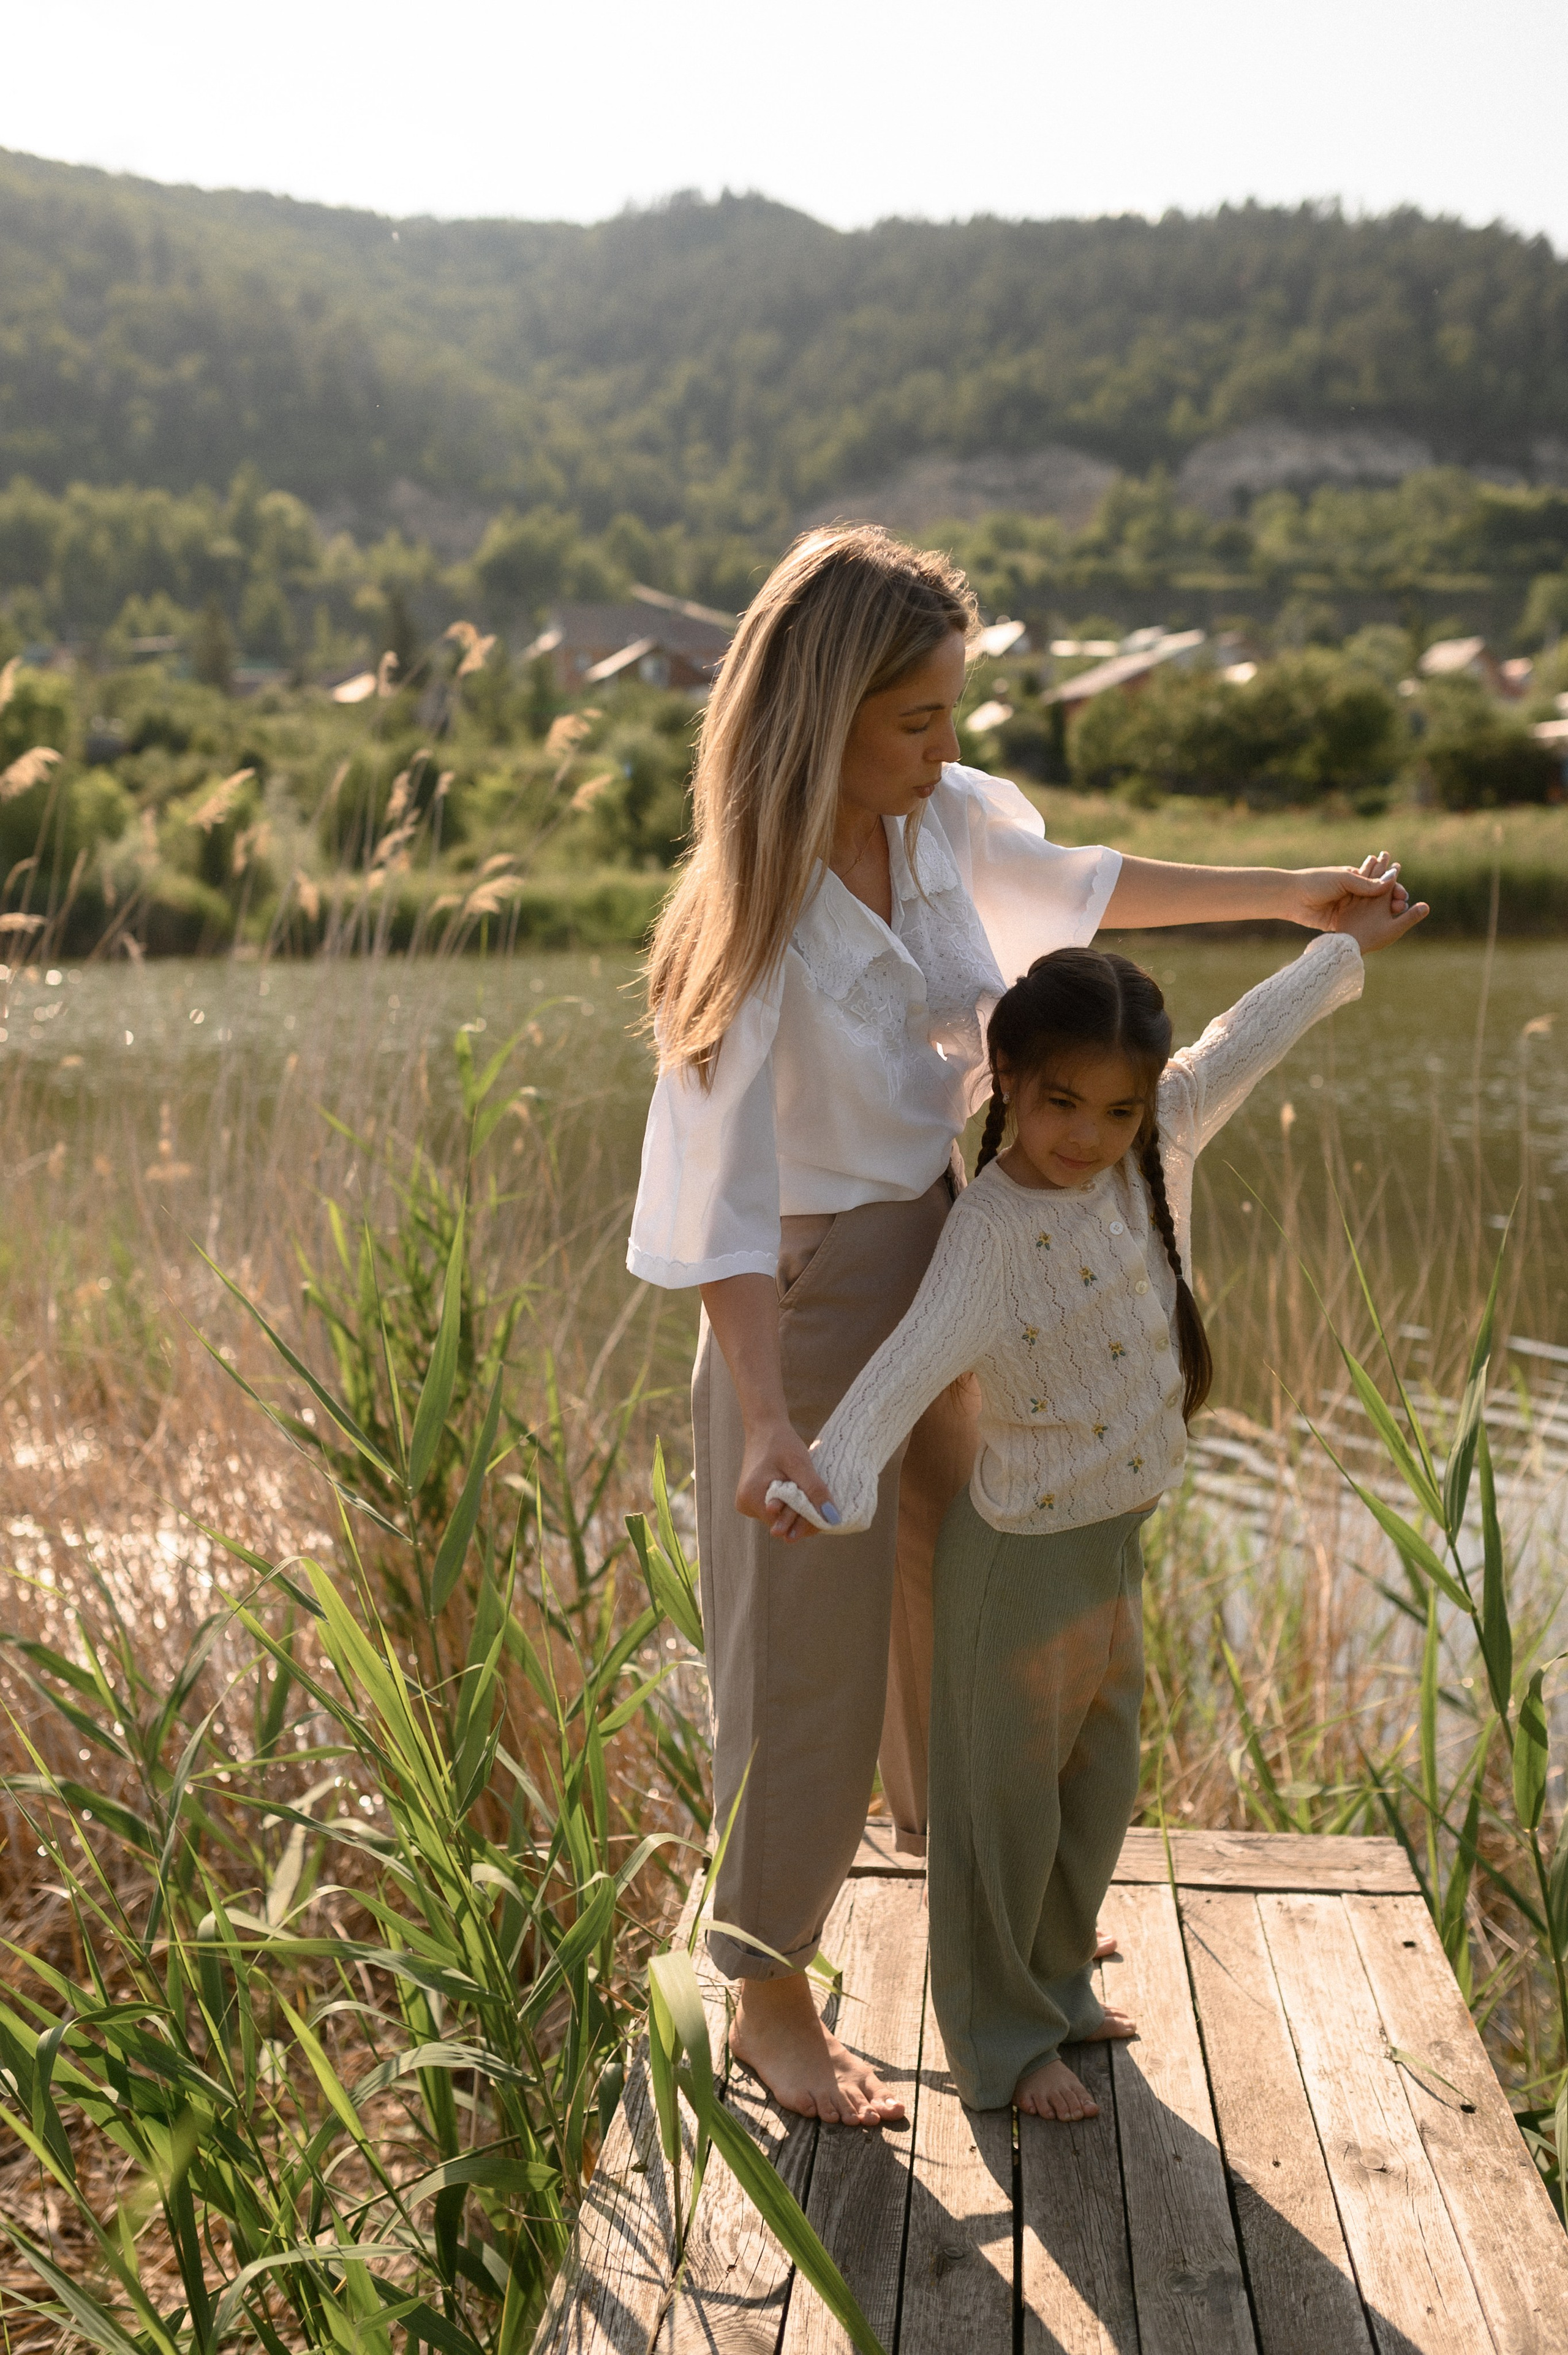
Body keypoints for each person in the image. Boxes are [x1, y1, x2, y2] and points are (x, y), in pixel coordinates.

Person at [628, 521, 1412, 2126]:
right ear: (819, 711)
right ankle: (769, 1991)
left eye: (954, 712)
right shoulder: (748, 923)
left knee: (964, 1613)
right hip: (811, 1298)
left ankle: (990, 1922)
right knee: (808, 1655)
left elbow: (1088, 883)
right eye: (919, 717)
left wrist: (1293, 898)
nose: (948, 745)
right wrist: (772, 1417)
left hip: (951, 1246)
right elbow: (707, 1199)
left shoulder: (945, 822)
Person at [768, 889, 1427, 2117]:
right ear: (1006, 1078)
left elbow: (1242, 1038)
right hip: (1012, 1564)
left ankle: (1058, 1980)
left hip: (1111, 1543)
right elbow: (898, 1372)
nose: (1087, 1133)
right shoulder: (989, 1234)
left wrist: (1339, 949)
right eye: (1060, 1101)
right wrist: (827, 1476)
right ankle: (1000, 2038)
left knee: (1094, 1778)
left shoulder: (1153, 1143)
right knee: (997, 1806)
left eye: (1116, 1107)